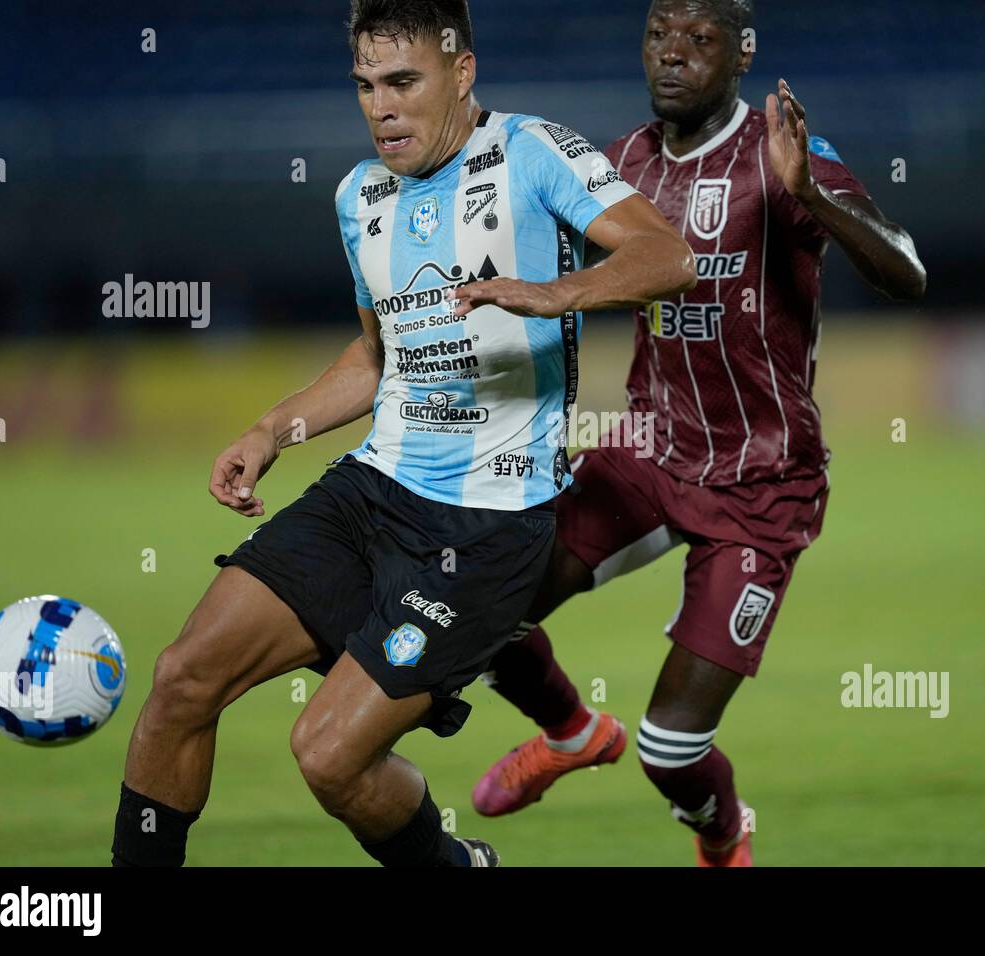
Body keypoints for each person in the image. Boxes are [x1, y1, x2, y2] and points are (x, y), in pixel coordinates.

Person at [109, 0, 695, 868]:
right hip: (372, 492)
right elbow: (377, 355)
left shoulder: (534, 152)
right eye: (365, 86)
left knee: (328, 755)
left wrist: (553, 293)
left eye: (402, 82)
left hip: (488, 526)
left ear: (461, 74)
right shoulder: (360, 195)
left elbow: (670, 257)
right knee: (181, 680)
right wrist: (275, 428)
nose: (380, 106)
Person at [471, 0, 926, 866]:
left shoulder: (781, 157)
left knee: (669, 751)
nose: (672, 55)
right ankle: (569, 733)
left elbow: (908, 269)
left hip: (761, 482)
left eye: (700, 39)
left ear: (742, 53)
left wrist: (810, 199)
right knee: (483, 603)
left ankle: (723, 833)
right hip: (646, 449)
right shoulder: (624, 163)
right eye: (658, 36)